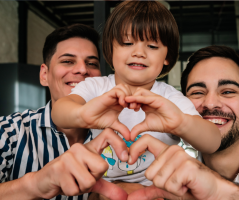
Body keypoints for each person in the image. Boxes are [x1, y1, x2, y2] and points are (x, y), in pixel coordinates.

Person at [52, 0, 220, 189]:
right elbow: (59, 112)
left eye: (152, 46)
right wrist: (82, 114)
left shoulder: (170, 98)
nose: (139, 52)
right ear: (111, 48)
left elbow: (212, 142)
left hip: (158, 190)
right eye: (127, 42)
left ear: (167, 57)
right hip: (103, 189)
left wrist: (181, 122)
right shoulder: (96, 87)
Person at [127, 45, 239, 199]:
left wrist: (218, 190)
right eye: (197, 92)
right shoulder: (171, 175)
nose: (210, 103)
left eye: (227, 91)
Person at [0, 24, 129, 200]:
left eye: (92, 63)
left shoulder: (122, 136)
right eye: (68, 61)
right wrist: (35, 183)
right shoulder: (9, 131)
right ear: (44, 75)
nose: (83, 70)